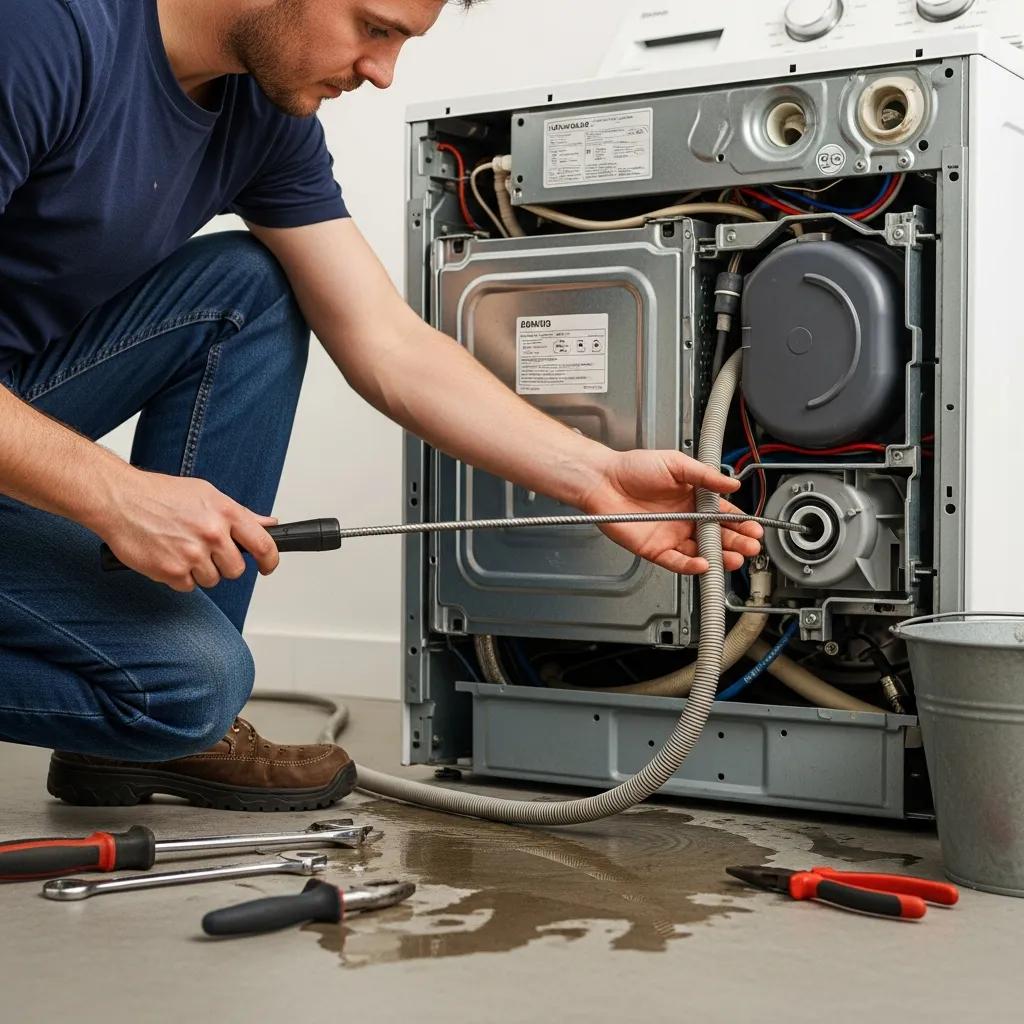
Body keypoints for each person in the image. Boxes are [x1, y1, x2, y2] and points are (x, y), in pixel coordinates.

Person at [0, 0, 762, 811]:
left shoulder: (259, 113)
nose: (382, 70)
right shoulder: (39, 34)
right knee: (191, 685)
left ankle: (174, 738)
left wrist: (594, 476)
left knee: (251, 288)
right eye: (376, 26)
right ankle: (181, 709)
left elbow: (386, 342)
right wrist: (114, 493)